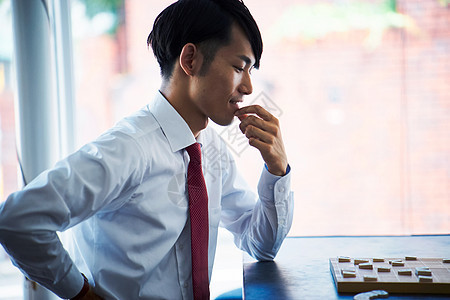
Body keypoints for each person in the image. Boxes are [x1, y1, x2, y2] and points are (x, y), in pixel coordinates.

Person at [0, 0, 294, 299]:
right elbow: (17, 221)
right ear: (190, 60)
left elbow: (260, 245)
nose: (247, 87)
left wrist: (276, 168)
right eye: (238, 67)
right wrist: (80, 294)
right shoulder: (127, 150)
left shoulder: (209, 148)